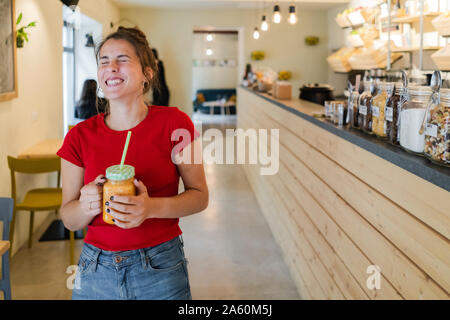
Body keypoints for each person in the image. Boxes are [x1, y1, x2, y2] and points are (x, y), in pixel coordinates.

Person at [57, 26, 208, 300]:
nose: (111, 67)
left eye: (122, 59)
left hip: (160, 265)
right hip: (95, 268)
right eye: (104, 61)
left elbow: (200, 197)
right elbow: (68, 218)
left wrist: (151, 207)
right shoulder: (78, 136)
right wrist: (85, 205)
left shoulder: (176, 124)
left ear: (147, 74)